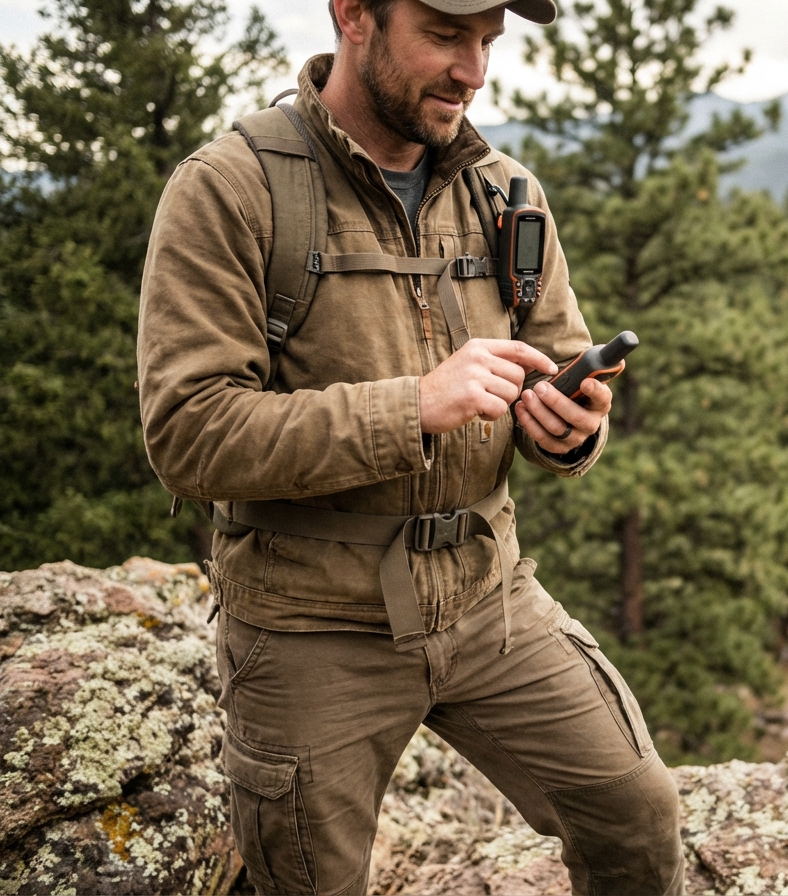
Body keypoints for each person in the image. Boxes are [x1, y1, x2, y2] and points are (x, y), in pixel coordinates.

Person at [135, 0, 686, 892]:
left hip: (488, 598)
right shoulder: (230, 187)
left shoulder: (506, 193)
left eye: (488, 42)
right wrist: (414, 406)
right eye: (444, 35)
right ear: (354, 14)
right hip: (311, 623)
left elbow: (554, 365)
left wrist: (570, 428)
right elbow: (189, 433)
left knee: (635, 815)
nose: (474, 70)